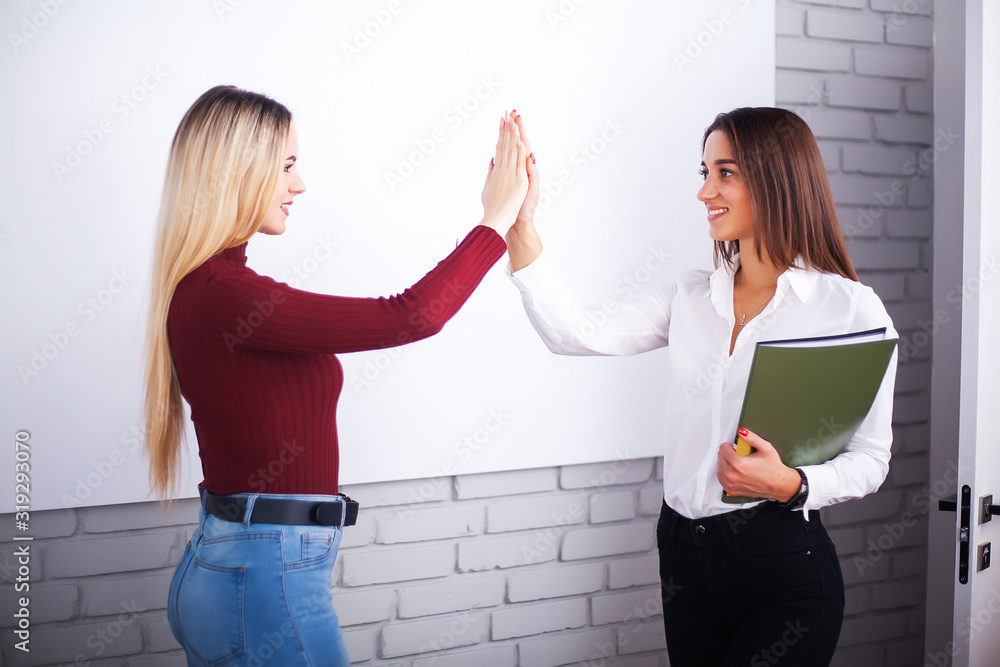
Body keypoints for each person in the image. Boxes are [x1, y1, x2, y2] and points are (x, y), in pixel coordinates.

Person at [142, 85, 528, 665]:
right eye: (286, 166)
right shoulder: (222, 296)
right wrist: (496, 220)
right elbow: (412, 314)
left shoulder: (210, 291)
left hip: (242, 568)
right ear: (238, 172)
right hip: (266, 578)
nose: (298, 185)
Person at [503, 107, 897, 666]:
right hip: (684, 558)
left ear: (776, 178)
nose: (704, 191)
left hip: (781, 567)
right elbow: (574, 335)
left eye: (725, 172)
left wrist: (792, 483)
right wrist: (520, 226)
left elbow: (871, 460)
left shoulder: (848, 308)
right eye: (704, 171)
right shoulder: (688, 297)